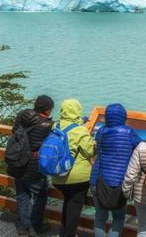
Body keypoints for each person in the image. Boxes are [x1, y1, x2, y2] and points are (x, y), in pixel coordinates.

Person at [90, 103, 143, 237]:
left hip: (98, 179)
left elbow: (97, 149)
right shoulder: (129, 132)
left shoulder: (101, 131)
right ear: (123, 116)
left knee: (100, 217)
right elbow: (142, 145)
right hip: (119, 182)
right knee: (118, 218)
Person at [9, 95, 55, 236]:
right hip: (34, 166)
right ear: (47, 109)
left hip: (18, 163)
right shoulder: (46, 125)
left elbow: (14, 130)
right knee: (40, 196)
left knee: (22, 195)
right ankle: (38, 225)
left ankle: (23, 227)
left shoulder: (23, 115)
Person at [52, 99, 95, 237]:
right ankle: (68, 234)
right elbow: (90, 151)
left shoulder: (55, 126)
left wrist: (81, 122)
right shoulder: (81, 130)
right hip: (77, 178)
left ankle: (63, 232)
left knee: (68, 203)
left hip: (58, 175)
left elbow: (69, 129)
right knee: (74, 208)